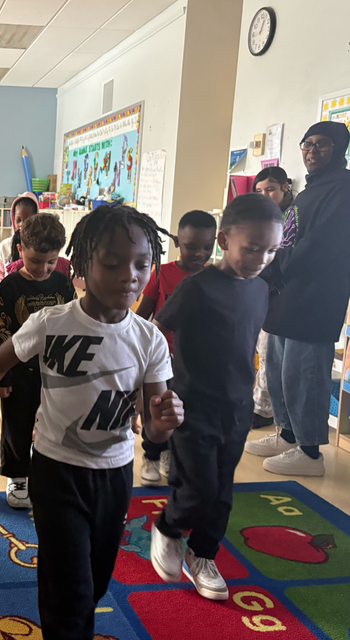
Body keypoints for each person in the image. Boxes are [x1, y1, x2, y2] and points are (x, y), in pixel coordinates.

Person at [0, 205, 184, 639]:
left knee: (93, 581)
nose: (129, 275)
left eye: (142, 265)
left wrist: (164, 424)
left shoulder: (149, 340)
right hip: (56, 471)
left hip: (113, 476)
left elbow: (153, 427)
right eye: (112, 264)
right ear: (82, 266)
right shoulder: (52, 323)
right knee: (70, 590)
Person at [150, 194, 283, 601]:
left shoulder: (260, 290)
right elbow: (155, 331)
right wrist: (153, 394)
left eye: (272, 250)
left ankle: (202, 554)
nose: (262, 258)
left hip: (237, 408)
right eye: (253, 248)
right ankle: (168, 527)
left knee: (222, 492)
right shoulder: (197, 288)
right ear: (224, 240)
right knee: (197, 489)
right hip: (192, 405)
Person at [245, 121, 350, 477]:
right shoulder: (309, 190)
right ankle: (287, 434)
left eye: (322, 145)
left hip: (314, 297)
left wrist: (275, 266)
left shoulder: (343, 189)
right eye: (308, 144)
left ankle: (309, 451)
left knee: (305, 373)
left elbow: (320, 244)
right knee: (277, 367)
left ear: (339, 150)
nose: (312, 151)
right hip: (285, 293)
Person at [0, 213, 76, 509]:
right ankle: (17, 475)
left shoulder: (63, 285)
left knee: (54, 425)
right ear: (20, 251)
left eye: (51, 262)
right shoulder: (10, 286)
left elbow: (72, 325)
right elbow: (1, 331)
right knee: (16, 424)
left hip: (53, 371)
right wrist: (1, 378)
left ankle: (48, 472)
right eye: (35, 261)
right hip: (18, 371)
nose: (43, 269)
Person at [135, 210, 216, 486]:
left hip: (195, 361)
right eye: (192, 247)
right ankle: (152, 456)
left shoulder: (213, 278)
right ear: (178, 243)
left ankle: (172, 455)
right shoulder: (162, 273)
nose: (200, 253)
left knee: (185, 412)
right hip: (162, 358)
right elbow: (143, 316)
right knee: (158, 406)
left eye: (208, 246)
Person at [250, 166, 295, 430]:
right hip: (260, 293)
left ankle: (264, 410)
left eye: (270, 190)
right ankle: (261, 404)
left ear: (285, 187)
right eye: (259, 191)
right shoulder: (264, 216)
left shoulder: (291, 217)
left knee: (268, 354)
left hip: (279, 295)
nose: (265, 195)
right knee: (262, 351)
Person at [0, 192, 38, 288]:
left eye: (28, 220)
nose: (22, 224)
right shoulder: (4, 246)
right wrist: (2, 288)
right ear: (13, 219)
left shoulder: (41, 246)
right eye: (19, 220)